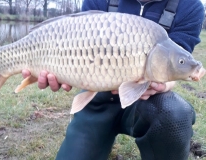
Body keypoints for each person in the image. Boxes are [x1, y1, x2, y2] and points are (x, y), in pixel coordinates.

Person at [22, 0, 205, 159]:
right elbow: (72, 43)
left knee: (175, 112)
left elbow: (178, 57)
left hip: (147, 103)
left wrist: (164, 84)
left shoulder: (190, 7)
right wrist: (61, 71)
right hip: (96, 101)